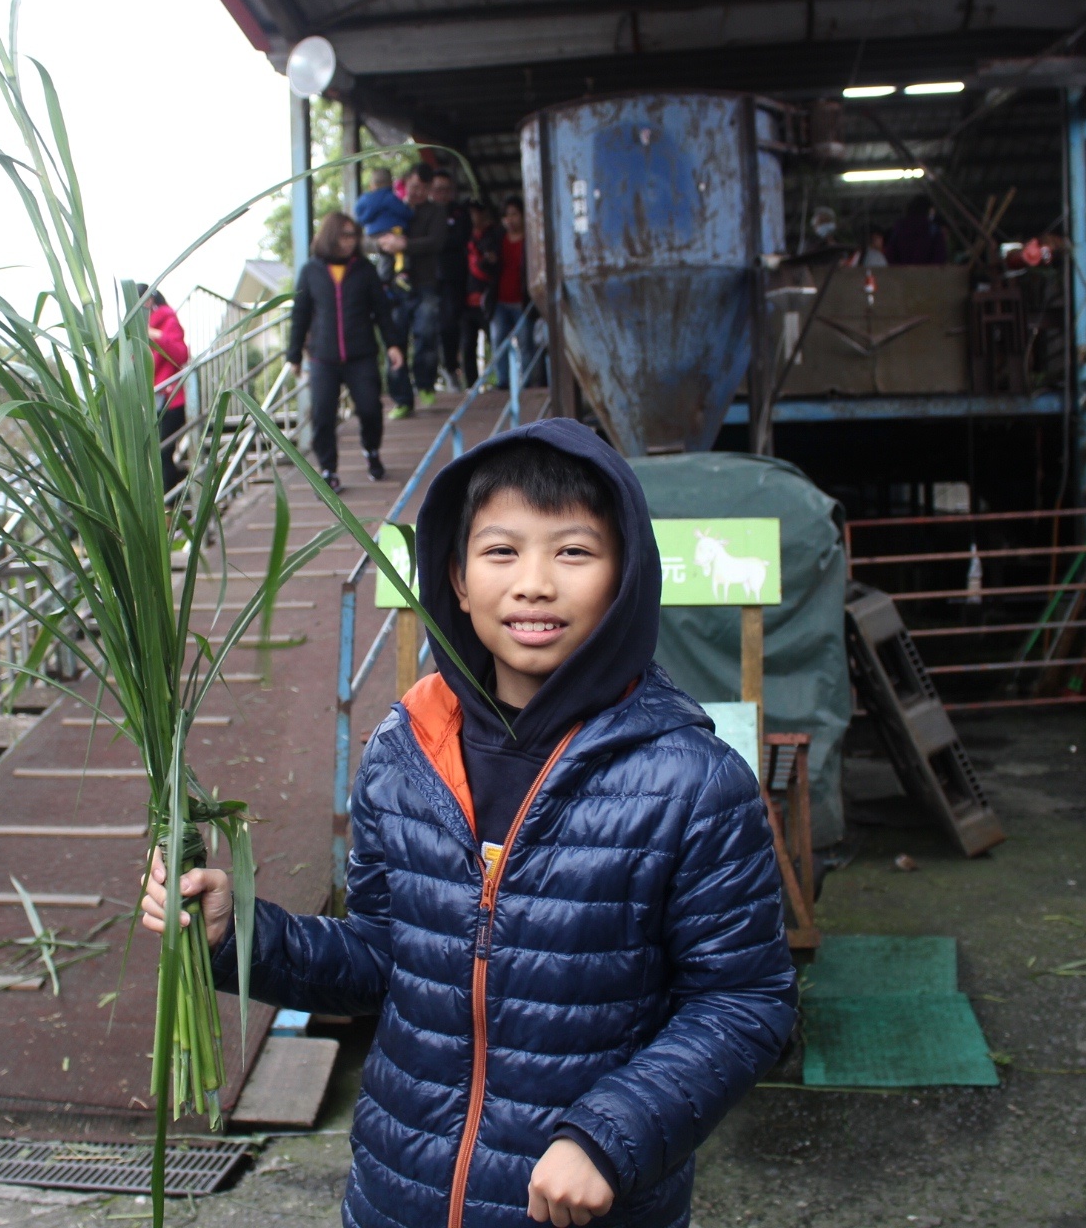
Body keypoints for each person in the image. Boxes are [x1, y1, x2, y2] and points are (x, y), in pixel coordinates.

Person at [143, 420, 796, 1228]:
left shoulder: (690, 782)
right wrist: (236, 937)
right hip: (397, 1197)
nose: (534, 583)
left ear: (626, 577)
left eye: (573, 553)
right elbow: (386, 958)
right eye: (501, 552)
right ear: (454, 578)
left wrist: (611, 1133)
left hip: (577, 1210)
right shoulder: (404, 751)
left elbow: (744, 1001)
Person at [286, 211, 406, 492]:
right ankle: (328, 470)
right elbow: (300, 315)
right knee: (323, 415)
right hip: (322, 358)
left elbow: (382, 311)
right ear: (330, 236)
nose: (350, 242)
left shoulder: (364, 270)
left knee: (370, 408)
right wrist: (293, 355)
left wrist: (393, 344)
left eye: (353, 235)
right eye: (344, 235)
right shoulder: (311, 271)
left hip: (361, 354)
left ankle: (371, 451)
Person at [376, 163, 447, 417]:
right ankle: (402, 399)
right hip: (394, 288)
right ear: (406, 182)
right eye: (415, 186)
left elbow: (436, 242)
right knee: (394, 342)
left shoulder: (436, 212)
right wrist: (387, 245)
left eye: (424, 188)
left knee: (426, 334)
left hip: (425, 285)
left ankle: (425, 383)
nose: (418, 192)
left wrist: (404, 245)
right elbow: (374, 239)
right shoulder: (392, 208)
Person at [489, 195, 535, 390]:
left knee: (526, 344)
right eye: (506, 215)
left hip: (522, 300)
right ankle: (503, 383)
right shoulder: (498, 238)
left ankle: (529, 383)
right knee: (498, 342)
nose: (510, 220)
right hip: (500, 299)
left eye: (514, 214)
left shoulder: (531, 240)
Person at [148, 290, 192, 492]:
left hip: (171, 399)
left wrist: (157, 336)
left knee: (162, 452)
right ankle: (176, 494)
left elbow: (181, 355)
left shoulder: (168, 321)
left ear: (149, 301)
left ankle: (169, 507)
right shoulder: (137, 329)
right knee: (158, 455)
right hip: (152, 401)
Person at [435, 176, 473, 390]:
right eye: (438, 189)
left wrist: (435, 241)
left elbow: (459, 238)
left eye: (446, 189)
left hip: (454, 278)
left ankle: (452, 369)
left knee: (452, 324)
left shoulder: (459, 213)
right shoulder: (425, 211)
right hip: (429, 278)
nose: (442, 194)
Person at [459, 201, 500, 388]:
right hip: (467, 302)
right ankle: (471, 386)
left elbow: (493, 265)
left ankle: (503, 383)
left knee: (496, 343)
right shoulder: (464, 237)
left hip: (488, 300)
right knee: (468, 346)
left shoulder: (493, 235)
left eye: (474, 213)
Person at [352, 167, 414, 282]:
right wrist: (410, 212)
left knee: (384, 258)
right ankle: (401, 276)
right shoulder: (389, 197)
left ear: (372, 185)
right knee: (399, 254)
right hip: (392, 232)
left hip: (373, 234)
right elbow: (404, 212)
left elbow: (358, 212)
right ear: (390, 184)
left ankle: (383, 280)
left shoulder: (365, 199)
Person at [884, 194, 949, 265]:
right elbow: (940, 257)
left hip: (902, 273)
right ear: (928, 210)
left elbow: (890, 254)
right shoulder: (932, 230)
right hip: (928, 273)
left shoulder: (899, 228)